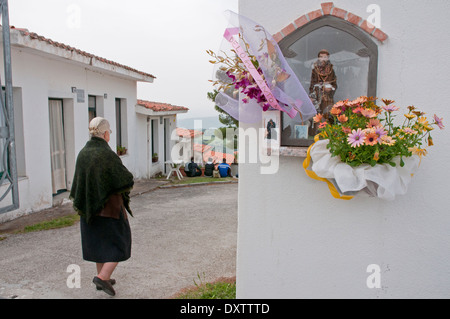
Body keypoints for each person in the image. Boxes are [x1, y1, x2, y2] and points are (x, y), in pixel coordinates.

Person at [70, 117, 134, 297]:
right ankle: (103, 276)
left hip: (89, 208)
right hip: (109, 210)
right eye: (109, 133)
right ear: (105, 134)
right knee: (121, 244)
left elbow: (80, 183)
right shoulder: (106, 154)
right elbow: (125, 179)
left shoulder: (83, 152)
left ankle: (102, 276)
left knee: (99, 245)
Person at [309, 49, 337, 116]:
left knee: (327, 114)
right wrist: (311, 96)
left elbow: (334, 83)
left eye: (325, 57)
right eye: (321, 57)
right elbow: (312, 84)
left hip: (327, 97)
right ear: (318, 58)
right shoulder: (314, 70)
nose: (323, 59)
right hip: (317, 95)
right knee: (317, 115)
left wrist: (331, 88)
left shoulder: (331, 70)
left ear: (328, 58)